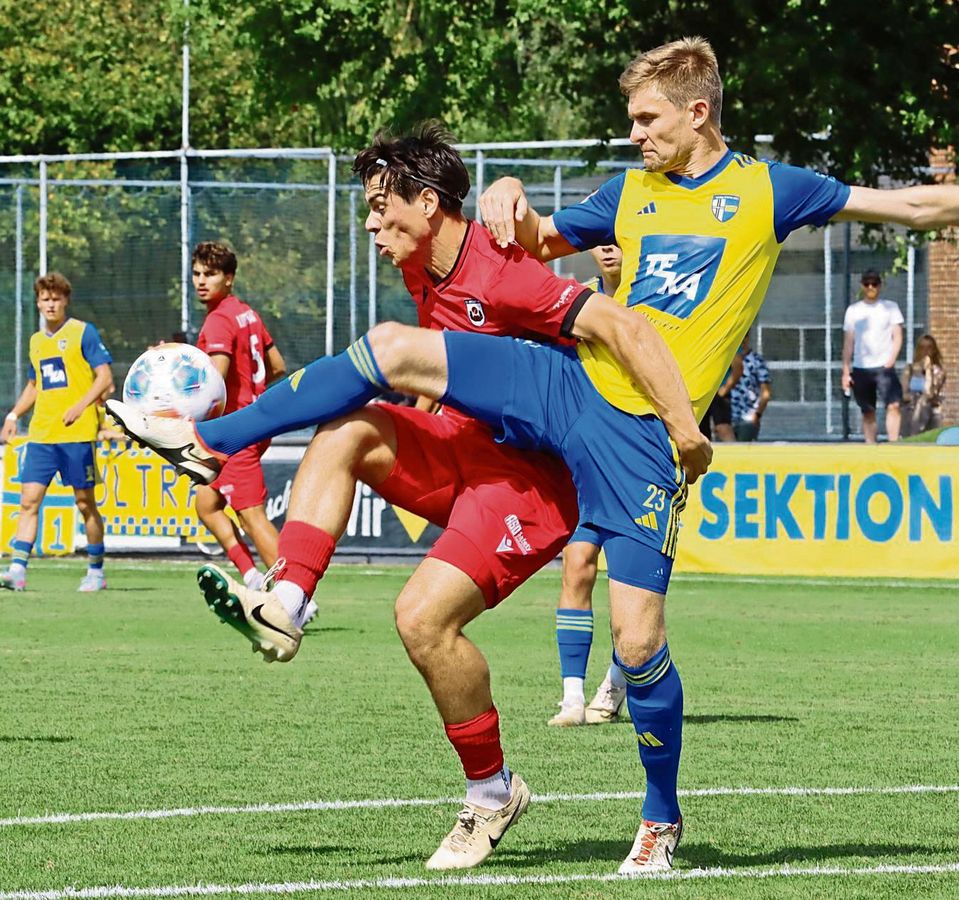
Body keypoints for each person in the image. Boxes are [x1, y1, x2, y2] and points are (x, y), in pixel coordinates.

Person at [106, 123, 710, 876]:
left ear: (427, 203)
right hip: (468, 453)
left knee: (422, 615)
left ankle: (210, 440)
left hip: (536, 480)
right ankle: (295, 609)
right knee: (350, 431)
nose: (367, 224)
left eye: (377, 206)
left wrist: (683, 428)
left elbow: (608, 326)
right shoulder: (423, 270)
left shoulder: (504, 273)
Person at [475, 35, 959, 872]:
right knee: (410, 366)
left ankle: (659, 821)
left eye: (646, 117)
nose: (634, 133)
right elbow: (532, 239)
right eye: (630, 118)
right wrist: (507, 189)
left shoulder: (769, 190)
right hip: (569, 398)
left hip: (648, 440)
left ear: (697, 112)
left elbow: (912, 209)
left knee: (633, 644)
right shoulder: (627, 192)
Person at [549, 243, 627, 729]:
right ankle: (572, 697)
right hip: (586, 458)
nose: (608, 247)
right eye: (599, 238)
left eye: (617, 237)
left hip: (640, 456)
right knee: (577, 564)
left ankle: (616, 684)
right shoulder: (575, 300)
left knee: (628, 587)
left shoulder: (655, 304)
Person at [0, 272, 114, 592]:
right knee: (29, 501)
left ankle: (95, 571)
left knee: (84, 503)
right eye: (45, 299)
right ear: (38, 303)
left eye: (56, 298)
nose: (51, 304)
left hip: (77, 434)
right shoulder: (37, 342)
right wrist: (13, 414)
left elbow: (104, 377)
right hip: (42, 435)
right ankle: (17, 570)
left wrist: (81, 406)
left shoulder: (82, 333)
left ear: (65, 300)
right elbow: (36, 385)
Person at [189, 242, 290, 590]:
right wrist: (252, 391)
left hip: (234, 431)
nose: (202, 281)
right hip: (254, 422)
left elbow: (213, 379)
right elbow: (277, 366)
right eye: (197, 273)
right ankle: (251, 576)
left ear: (229, 278)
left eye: (211, 274)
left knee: (251, 515)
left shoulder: (218, 320)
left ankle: (297, 596)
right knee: (207, 503)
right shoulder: (246, 313)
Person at [841, 270, 904, 443]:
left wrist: (891, 360)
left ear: (880, 286)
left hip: (884, 367)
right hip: (862, 367)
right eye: (867, 284)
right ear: (862, 286)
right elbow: (848, 342)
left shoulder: (890, 307)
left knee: (894, 405)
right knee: (868, 411)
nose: (871, 287)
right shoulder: (853, 311)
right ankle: (871, 447)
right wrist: (846, 371)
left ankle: (894, 445)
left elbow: (897, 336)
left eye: (874, 283)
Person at [900, 333, 946, 437]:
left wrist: (928, 370)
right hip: (911, 409)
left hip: (929, 408)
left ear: (934, 350)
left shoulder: (938, 371)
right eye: (922, 347)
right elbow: (904, 392)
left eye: (929, 347)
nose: (925, 351)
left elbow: (930, 393)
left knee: (923, 403)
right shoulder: (910, 369)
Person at [730, 331, 772, 441]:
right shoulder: (726, 360)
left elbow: (765, 393)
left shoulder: (756, 361)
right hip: (726, 419)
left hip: (747, 418)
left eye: (744, 337)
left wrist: (757, 415)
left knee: (742, 453)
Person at [699, 353, 742, 441]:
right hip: (700, 392)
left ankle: (734, 453)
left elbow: (738, 367)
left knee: (723, 428)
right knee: (700, 430)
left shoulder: (725, 341)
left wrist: (725, 388)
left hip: (718, 391)